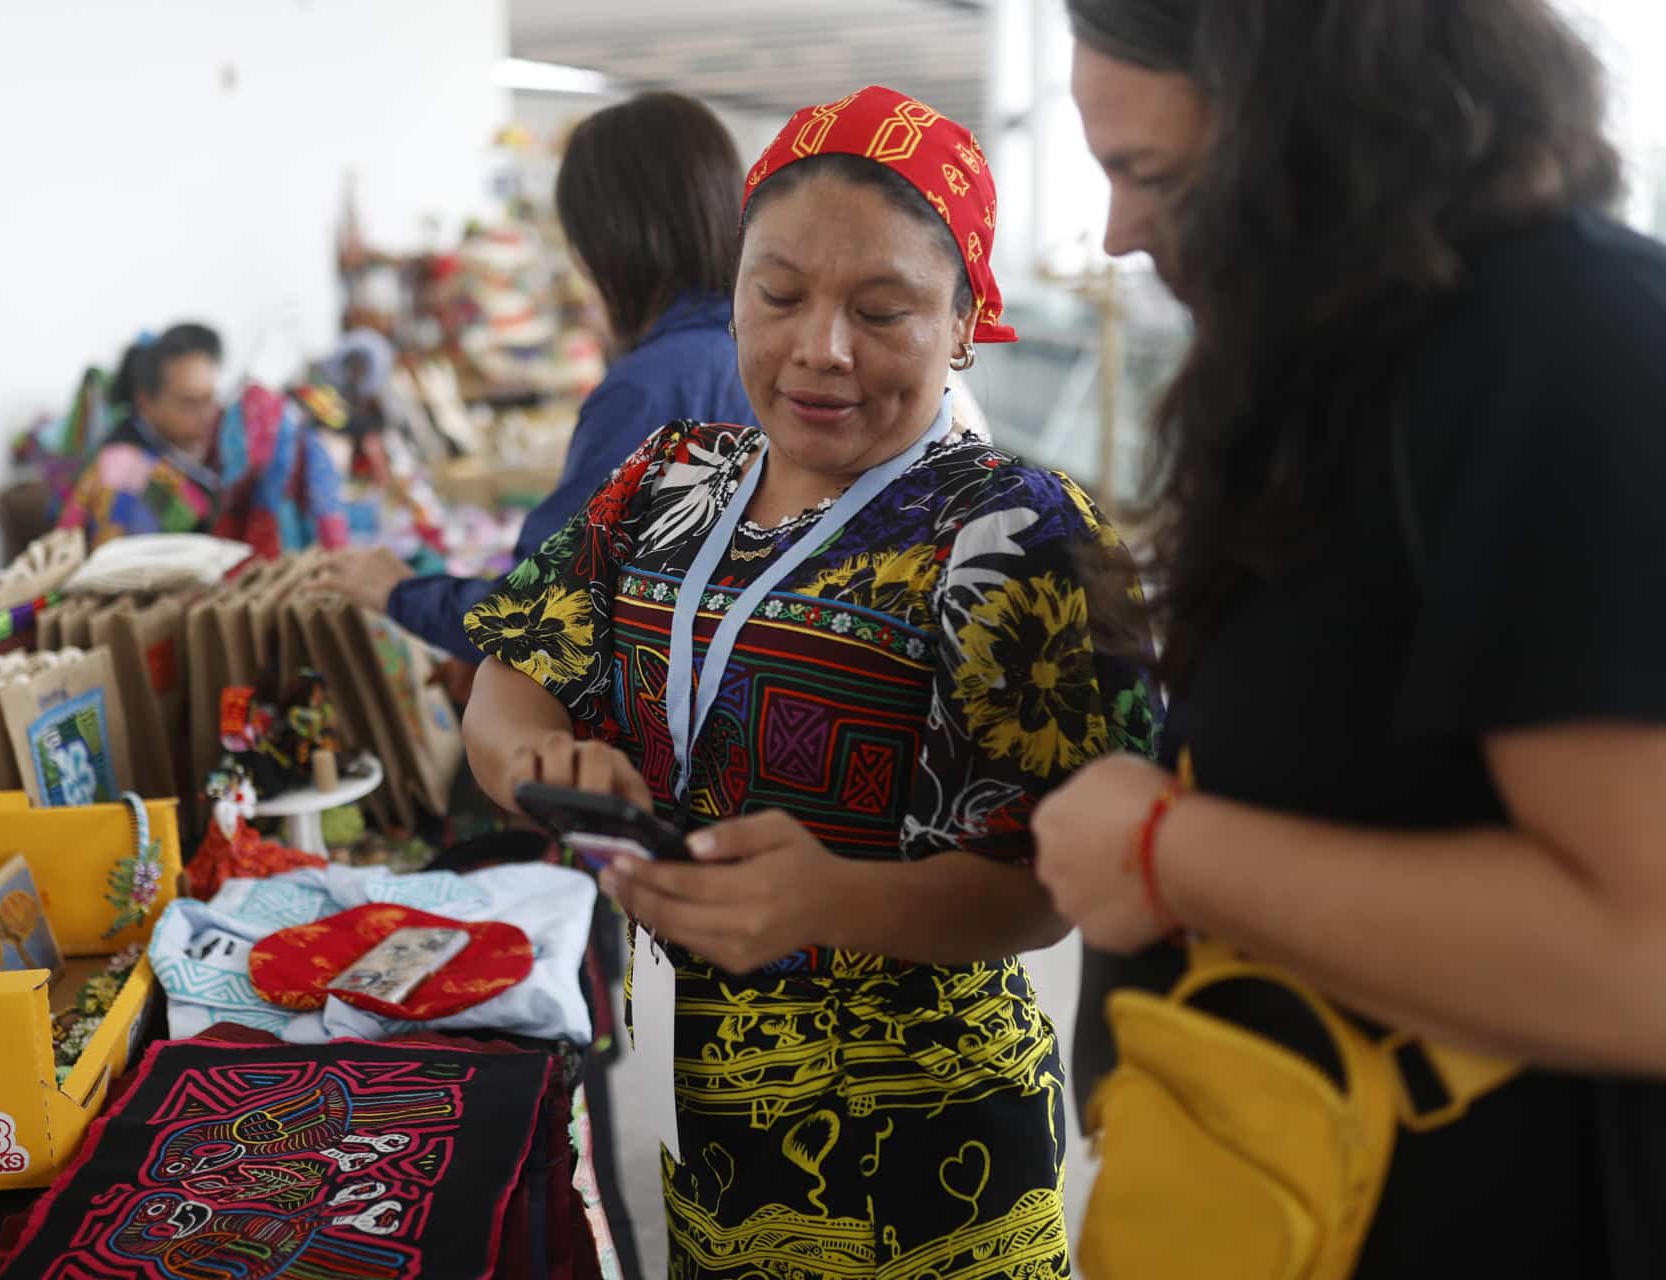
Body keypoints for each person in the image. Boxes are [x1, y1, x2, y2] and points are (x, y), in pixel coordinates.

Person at [462, 85, 1156, 1278]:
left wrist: (830, 900)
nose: (818, 348)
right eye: (777, 294)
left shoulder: (1018, 529)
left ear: (964, 323)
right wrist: (546, 767)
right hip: (703, 1116)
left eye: (882, 310)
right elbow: (511, 672)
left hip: (925, 1154)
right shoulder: (670, 476)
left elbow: (1053, 877)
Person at [1029, 3, 1666, 1277]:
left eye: (1149, 173)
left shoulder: (1564, 339)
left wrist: (1164, 847)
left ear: (1319, 127)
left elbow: (1639, 956)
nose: (1117, 232)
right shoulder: (1359, 360)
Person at [312, 92, 754, 665]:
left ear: (612, 243)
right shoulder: (749, 351)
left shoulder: (650, 386)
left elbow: (544, 611)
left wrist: (398, 592)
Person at [58, 323, 226, 547]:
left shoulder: (197, 444)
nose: (208, 414)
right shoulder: (124, 473)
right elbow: (121, 571)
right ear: (145, 401)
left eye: (210, 398)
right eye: (189, 404)